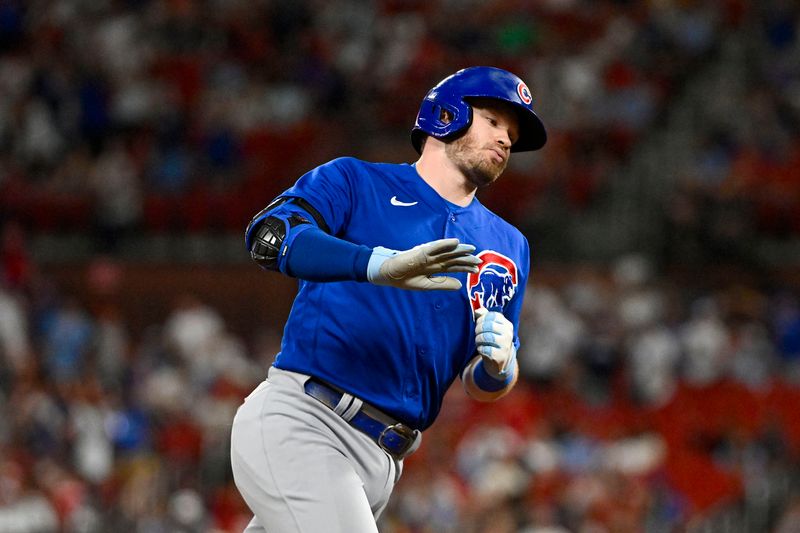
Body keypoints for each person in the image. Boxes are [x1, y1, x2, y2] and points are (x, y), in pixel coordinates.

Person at [230, 66, 547, 532]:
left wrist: (501, 367)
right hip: (306, 421)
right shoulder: (357, 182)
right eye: (495, 120)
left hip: (384, 461)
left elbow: (478, 381)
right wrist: (374, 263)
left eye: (513, 134)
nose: (505, 139)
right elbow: (269, 237)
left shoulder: (508, 245)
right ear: (448, 114)